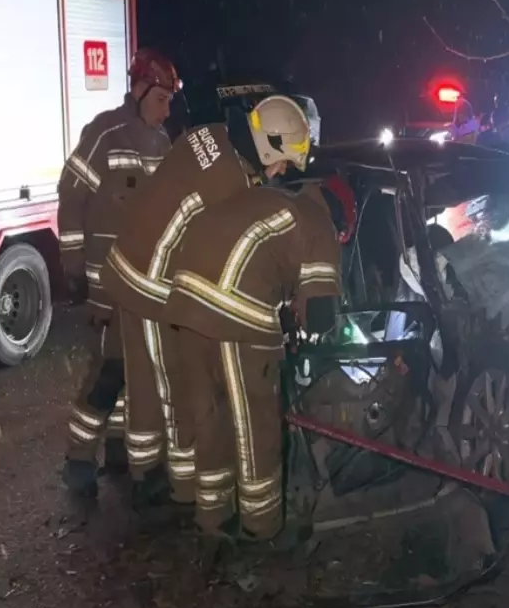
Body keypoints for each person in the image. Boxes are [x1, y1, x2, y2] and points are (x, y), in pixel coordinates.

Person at [101, 94, 317, 505]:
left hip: (129, 259)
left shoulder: (212, 134)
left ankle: (146, 472)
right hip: (152, 283)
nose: (281, 171)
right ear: (267, 145)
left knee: (145, 379)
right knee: (175, 385)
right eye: (283, 161)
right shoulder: (230, 184)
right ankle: (176, 491)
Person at [161, 129, 354, 541]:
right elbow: (320, 317)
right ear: (341, 220)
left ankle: (213, 518)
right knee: (256, 425)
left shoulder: (273, 201)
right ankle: (261, 528)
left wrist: (287, 308)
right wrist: (310, 330)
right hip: (235, 314)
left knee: (210, 417)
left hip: (182, 304)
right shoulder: (319, 222)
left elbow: (262, 264)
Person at [60, 48, 180, 497]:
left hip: (142, 285)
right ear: (140, 90)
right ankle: (78, 459)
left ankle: (116, 451)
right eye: (161, 99)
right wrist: (72, 265)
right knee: (108, 372)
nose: (166, 110)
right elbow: (71, 193)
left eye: (170, 101)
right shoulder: (104, 134)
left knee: (135, 372)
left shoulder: (163, 143)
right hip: (105, 286)